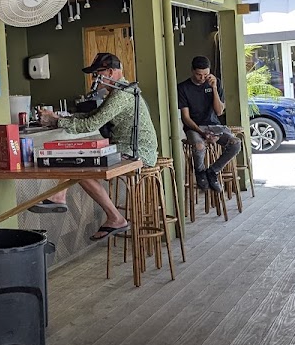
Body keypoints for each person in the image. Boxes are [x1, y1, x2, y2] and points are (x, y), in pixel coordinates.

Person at [39, 52, 159, 240]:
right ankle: (61, 197)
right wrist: (59, 118)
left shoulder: (121, 95)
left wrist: (57, 122)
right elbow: (93, 115)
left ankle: (114, 217)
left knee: (80, 164)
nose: (94, 78)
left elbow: (90, 125)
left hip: (136, 153)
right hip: (129, 149)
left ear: (110, 72)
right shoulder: (123, 90)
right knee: (78, 162)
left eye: (97, 73)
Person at [178, 56, 241, 193]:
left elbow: (219, 112)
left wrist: (214, 88)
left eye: (205, 75)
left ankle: (212, 171)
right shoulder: (183, 88)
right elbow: (186, 118)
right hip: (195, 127)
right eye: (198, 75)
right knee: (199, 146)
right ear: (192, 71)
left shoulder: (215, 83)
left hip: (214, 125)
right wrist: (202, 134)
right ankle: (200, 172)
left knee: (235, 143)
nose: (202, 78)